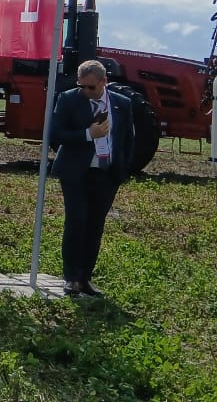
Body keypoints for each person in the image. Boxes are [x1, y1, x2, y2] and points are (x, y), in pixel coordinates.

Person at [50, 59, 135, 297]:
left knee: (95, 225)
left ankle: (85, 278)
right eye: (82, 86)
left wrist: (122, 170)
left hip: (106, 174)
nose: (86, 92)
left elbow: (128, 139)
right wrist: (89, 134)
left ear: (104, 82)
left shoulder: (122, 104)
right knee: (76, 221)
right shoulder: (68, 99)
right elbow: (56, 133)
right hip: (75, 173)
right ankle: (70, 278)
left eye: (91, 87)